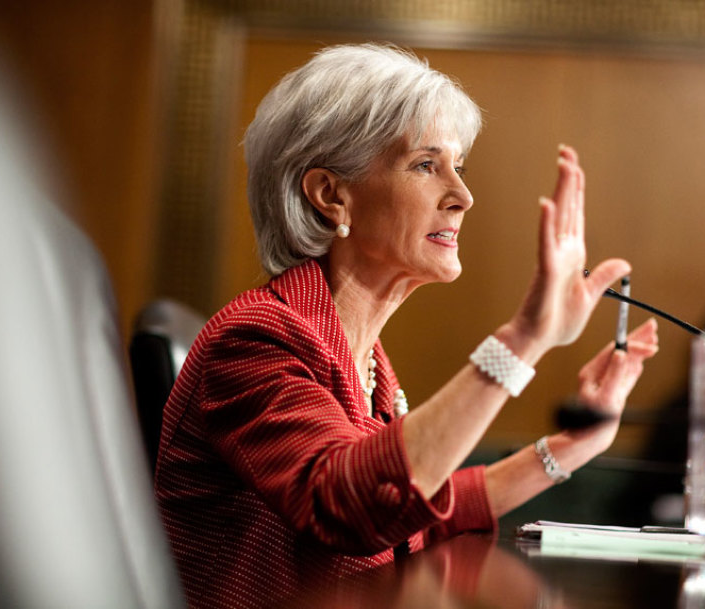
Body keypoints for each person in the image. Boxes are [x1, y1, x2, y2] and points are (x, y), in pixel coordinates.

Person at [154, 43, 659, 609]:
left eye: (458, 168)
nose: (463, 196)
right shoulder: (255, 340)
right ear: (331, 196)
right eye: (426, 165)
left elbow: (424, 509)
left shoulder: (361, 356)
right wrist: (523, 340)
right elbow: (355, 505)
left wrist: (575, 445)